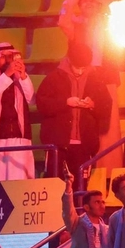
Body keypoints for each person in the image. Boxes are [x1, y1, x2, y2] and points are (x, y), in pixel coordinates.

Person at [37, 41, 111, 179]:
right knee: (55, 184)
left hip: (85, 144)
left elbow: (106, 106)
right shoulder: (54, 77)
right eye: (78, 67)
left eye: (84, 67)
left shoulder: (96, 80)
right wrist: (66, 102)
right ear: (70, 61)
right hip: (57, 144)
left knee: (80, 189)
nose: (80, 71)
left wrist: (92, 104)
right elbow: (42, 104)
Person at [0, 41, 35, 180]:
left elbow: (31, 99)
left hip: (19, 138)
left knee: (20, 182)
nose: (7, 60)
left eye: (10, 56)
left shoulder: (20, 79)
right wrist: (7, 75)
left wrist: (23, 76)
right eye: (3, 56)